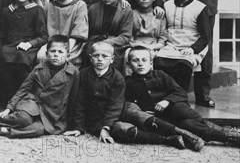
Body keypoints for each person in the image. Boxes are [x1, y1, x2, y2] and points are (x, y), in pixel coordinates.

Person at [65, 42, 200, 149]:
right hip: (96, 119)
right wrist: (78, 127)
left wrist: (106, 126)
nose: (100, 59)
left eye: (104, 56)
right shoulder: (83, 74)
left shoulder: (117, 77)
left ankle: (182, 133)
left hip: (118, 111)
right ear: (90, 58)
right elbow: (79, 101)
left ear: (112, 59)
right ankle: (168, 140)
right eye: (96, 56)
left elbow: (116, 104)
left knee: (135, 113)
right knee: (122, 129)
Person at [126, 46, 240, 148]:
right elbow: (129, 104)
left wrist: (167, 101)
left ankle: (222, 132)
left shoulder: (160, 75)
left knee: (179, 108)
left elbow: (180, 92)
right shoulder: (128, 83)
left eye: (144, 60)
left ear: (151, 63)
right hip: (164, 119)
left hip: (176, 109)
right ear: (129, 64)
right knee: (188, 125)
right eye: (135, 61)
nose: (140, 64)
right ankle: (228, 136)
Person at [0, 35, 78, 138]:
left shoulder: (73, 73)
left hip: (53, 114)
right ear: (46, 53)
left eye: (60, 52)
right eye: (53, 51)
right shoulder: (39, 68)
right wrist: (8, 109)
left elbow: (76, 100)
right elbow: (23, 89)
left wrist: (76, 126)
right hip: (33, 103)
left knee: (38, 130)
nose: (56, 55)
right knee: (23, 119)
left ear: (68, 55)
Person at [155, 0, 210, 91]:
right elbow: (163, 28)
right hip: (172, 46)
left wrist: (192, 49)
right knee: (158, 61)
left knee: (183, 65)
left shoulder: (199, 8)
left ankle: (180, 96)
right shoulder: (167, 5)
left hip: (191, 46)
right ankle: (164, 94)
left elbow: (206, 36)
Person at [0, 0, 48, 98]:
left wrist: (30, 44)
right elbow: (1, 36)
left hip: (28, 48)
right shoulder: (7, 11)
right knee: (5, 60)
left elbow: (43, 36)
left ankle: (24, 99)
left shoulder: (36, 10)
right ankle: (10, 100)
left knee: (22, 60)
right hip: (10, 47)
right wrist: (0, 50)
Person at [37, 0, 87, 67]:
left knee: (65, 61)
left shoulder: (80, 5)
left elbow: (78, 31)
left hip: (71, 44)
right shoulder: (48, 6)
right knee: (41, 56)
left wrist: (65, 49)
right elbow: (43, 32)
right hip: (51, 44)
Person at [86, 0, 133, 73]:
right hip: (95, 43)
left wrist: (107, 42)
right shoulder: (93, 9)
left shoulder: (125, 10)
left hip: (116, 45)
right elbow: (88, 32)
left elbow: (125, 36)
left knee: (113, 60)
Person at [126, 0, 167, 74]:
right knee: (127, 56)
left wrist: (152, 47)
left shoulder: (159, 15)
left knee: (157, 58)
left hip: (154, 47)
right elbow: (128, 36)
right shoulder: (131, 14)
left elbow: (163, 38)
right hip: (134, 46)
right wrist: (136, 45)